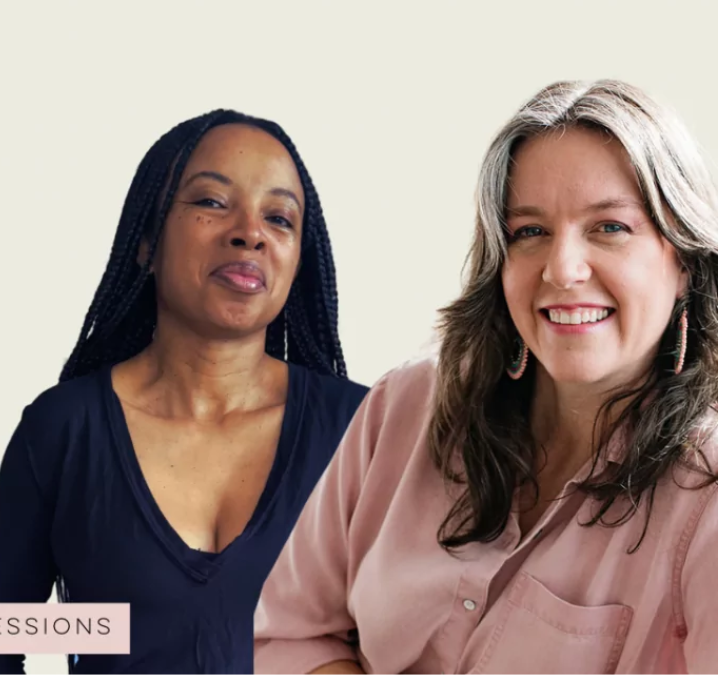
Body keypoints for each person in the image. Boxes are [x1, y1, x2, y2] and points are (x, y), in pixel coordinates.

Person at [252, 80, 718, 674]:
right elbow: (287, 634)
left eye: (609, 227)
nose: (563, 268)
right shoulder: (406, 406)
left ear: (683, 263)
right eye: (530, 232)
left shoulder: (707, 499)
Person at [0, 109, 369, 674]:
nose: (249, 232)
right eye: (211, 202)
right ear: (147, 240)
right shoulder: (61, 432)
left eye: (279, 218)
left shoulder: (365, 431)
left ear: (300, 260)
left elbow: (427, 634)